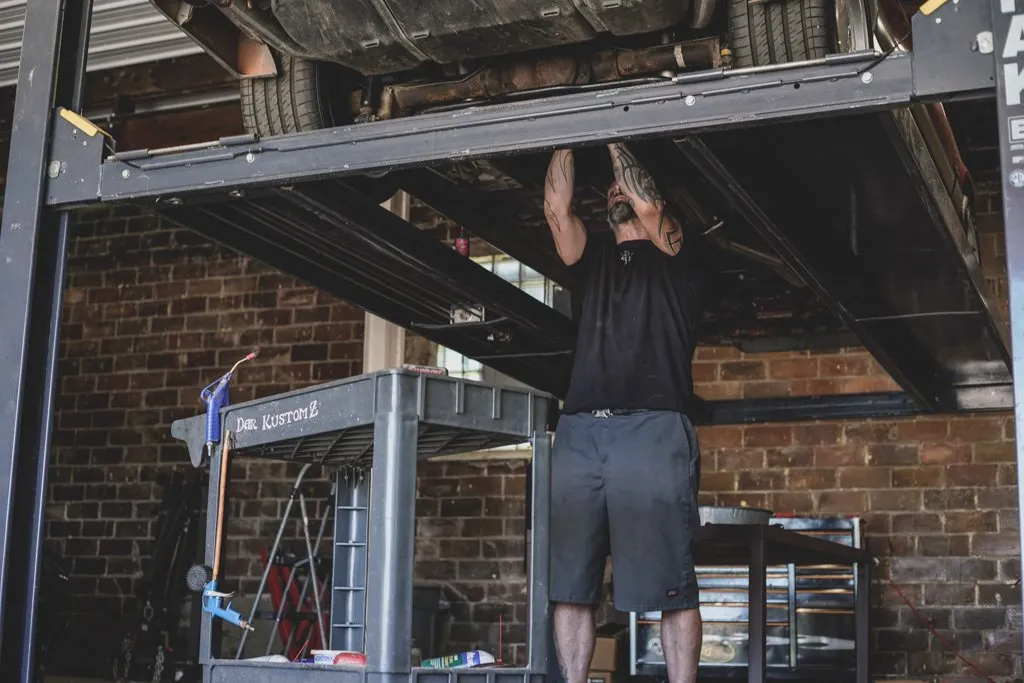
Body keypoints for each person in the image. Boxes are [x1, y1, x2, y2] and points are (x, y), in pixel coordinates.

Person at [543, 143, 707, 683]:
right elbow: (556, 211)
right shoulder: (590, 260)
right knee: (571, 583)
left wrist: (615, 136)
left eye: (623, 187)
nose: (616, 191)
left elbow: (650, 206)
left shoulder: (677, 255)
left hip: (654, 428)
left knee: (671, 583)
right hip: (581, 430)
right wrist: (569, 135)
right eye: (609, 188)